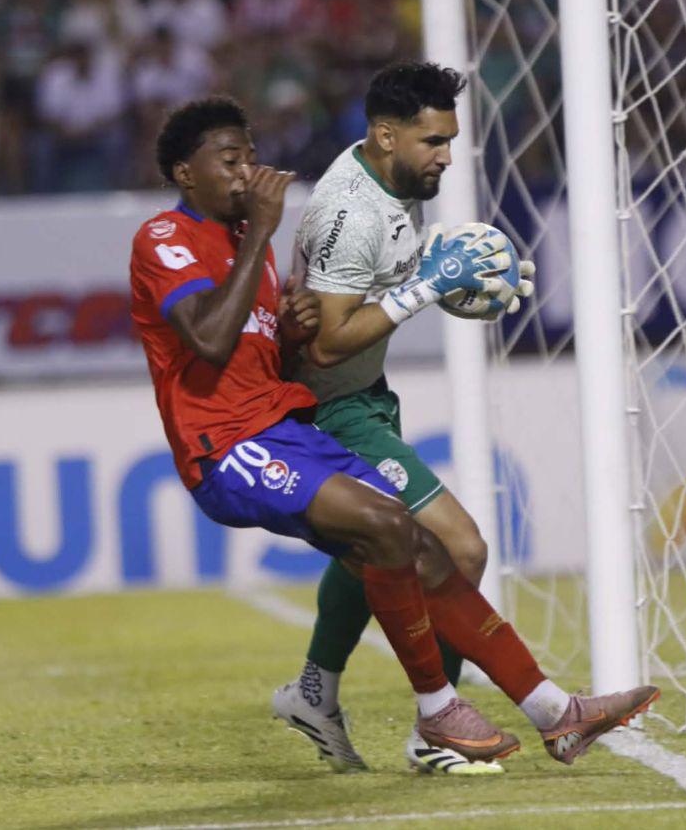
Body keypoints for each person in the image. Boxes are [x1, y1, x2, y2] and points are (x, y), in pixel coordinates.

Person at [129, 96, 658, 771]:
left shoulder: (242, 246)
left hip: (283, 427)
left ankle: (556, 713)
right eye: (230, 161)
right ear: (185, 173)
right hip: (226, 448)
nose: (248, 172)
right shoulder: (164, 237)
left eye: (252, 157)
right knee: (385, 524)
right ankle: (437, 712)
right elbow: (206, 340)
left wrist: (290, 324)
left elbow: (258, 347)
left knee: (424, 546)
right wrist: (263, 232)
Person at [271, 60, 539, 774]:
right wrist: (427, 285)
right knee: (462, 548)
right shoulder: (349, 212)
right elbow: (327, 345)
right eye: (433, 142)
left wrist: (461, 273)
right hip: (330, 407)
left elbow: (376, 285)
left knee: (372, 549)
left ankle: (313, 689)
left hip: (365, 394)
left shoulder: (391, 180)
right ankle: (436, 727)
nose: (447, 156)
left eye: (449, 140)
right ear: (386, 136)